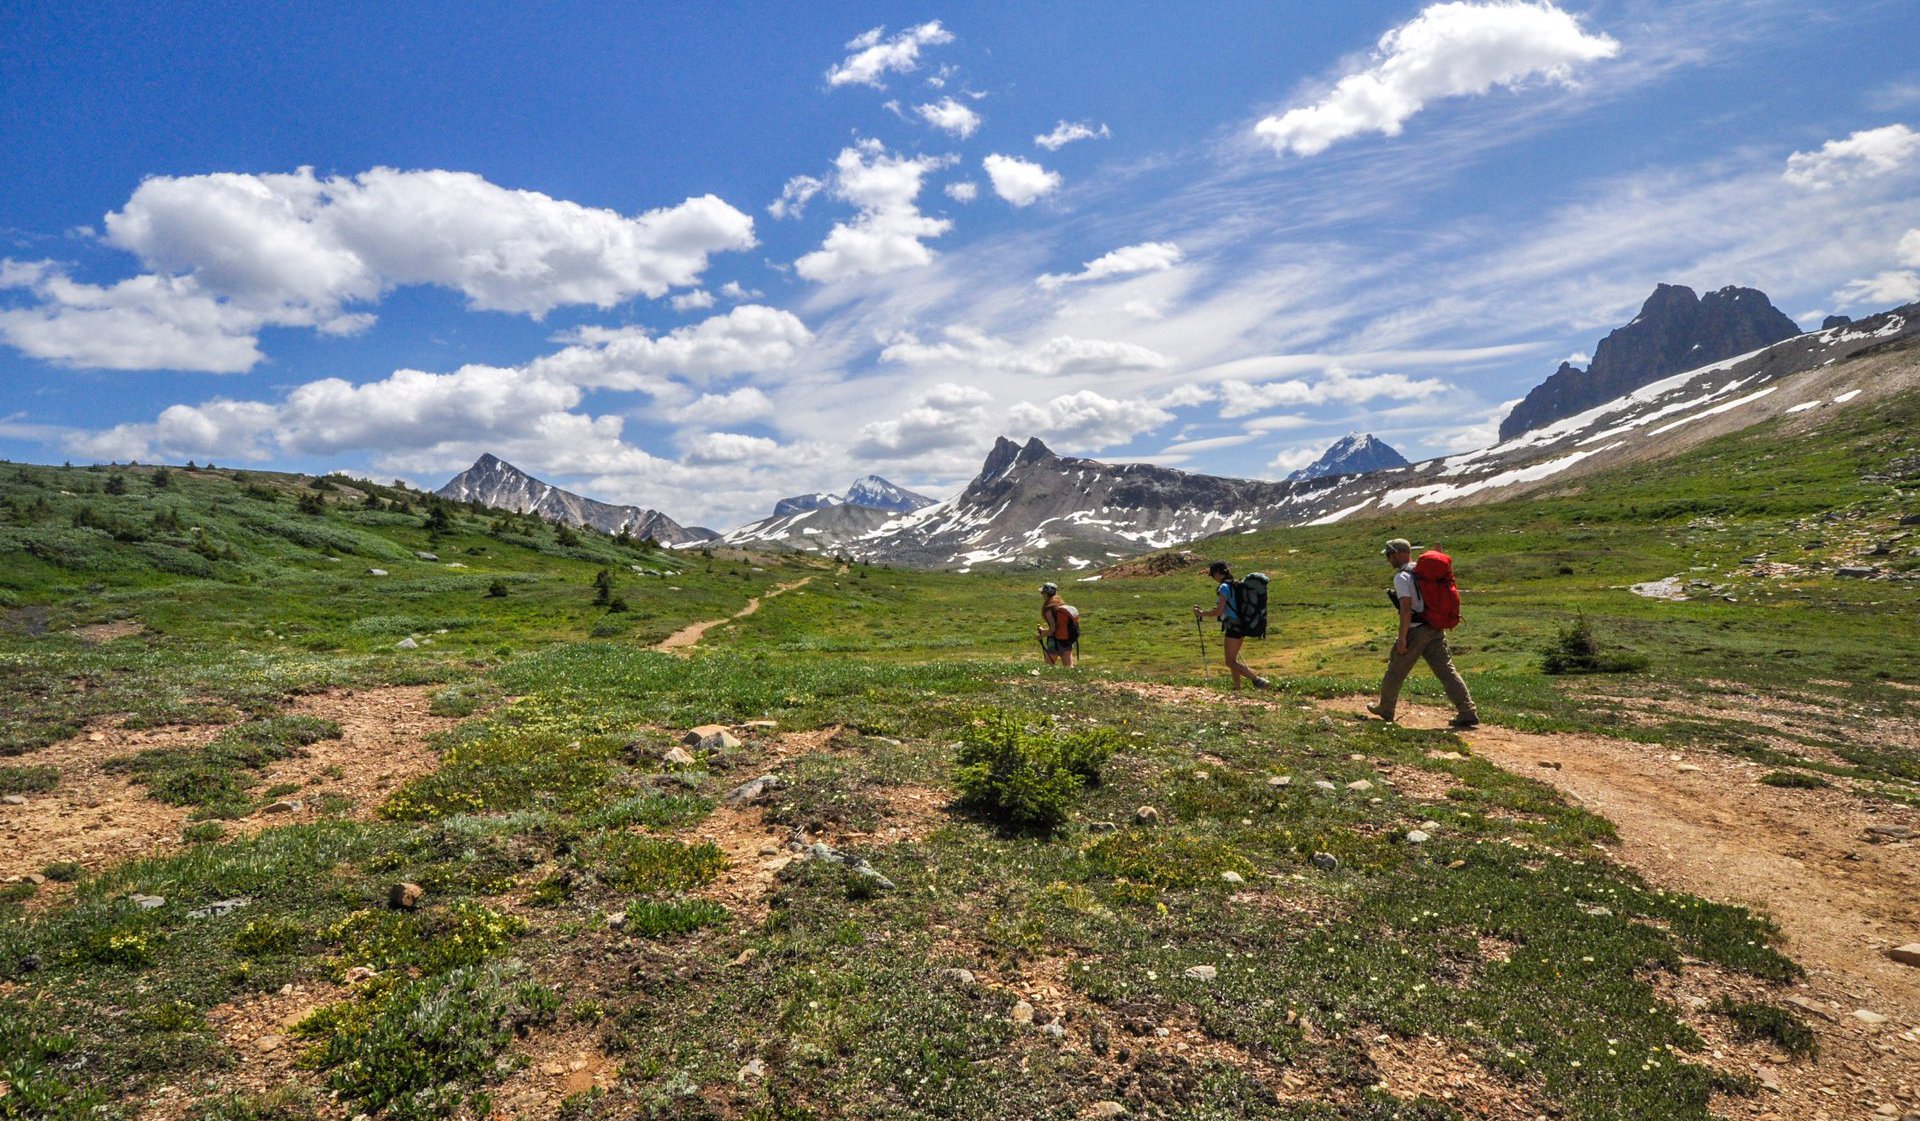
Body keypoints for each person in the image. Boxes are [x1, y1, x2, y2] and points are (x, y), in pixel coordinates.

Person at [1369, 538, 1478, 729]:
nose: (1388, 559)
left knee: (1395, 670)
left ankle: (1385, 708)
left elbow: (1406, 609)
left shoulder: (1402, 577)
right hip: (1435, 627)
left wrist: (1402, 638)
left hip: (1416, 630)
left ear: (1397, 554)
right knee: (1446, 671)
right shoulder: (1423, 572)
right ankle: (1467, 711)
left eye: (1389, 555)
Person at [1193, 561, 1269, 690]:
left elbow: (1219, 611)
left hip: (1233, 627)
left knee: (1229, 662)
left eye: (1212, 575)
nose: (1213, 578)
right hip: (1242, 624)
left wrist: (1201, 613)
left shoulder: (1223, 587)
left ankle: (1258, 681)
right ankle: (1237, 688)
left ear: (1218, 573)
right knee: (1234, 660)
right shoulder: (1236, 584)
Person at [1037, 582, 1076, 667]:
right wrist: (1044, 630)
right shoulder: (1060, 604)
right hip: (1067, 639)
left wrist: (1041, 636)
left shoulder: (1048, 609)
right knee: (1069, 666)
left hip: (1055, 640)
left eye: (1043, 593)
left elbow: (1053, 628)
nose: (1042, 595)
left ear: (1046, 594)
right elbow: (1059, 624)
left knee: (1048, 665)